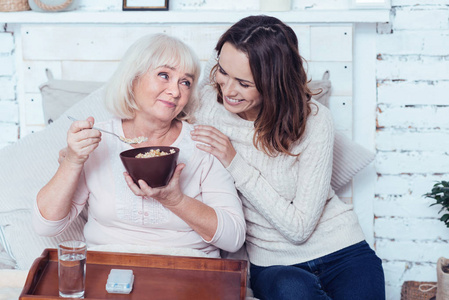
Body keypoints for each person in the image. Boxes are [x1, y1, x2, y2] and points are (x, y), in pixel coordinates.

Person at [190, 15, 385, 299]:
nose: (228, 90)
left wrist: (234, 162)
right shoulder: (207, 103)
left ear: (273, 82)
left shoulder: (314, 120)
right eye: (223, 72)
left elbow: (299, 228)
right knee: (291, 290)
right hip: (274, 264)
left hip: (343, 250)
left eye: (244, 83)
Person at [32, 33, 246, 258]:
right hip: (107, 268)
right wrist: (72, 161)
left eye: (185, 82)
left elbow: (233, 238)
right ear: (133, 78)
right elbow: (46, 226)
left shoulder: (203, 143)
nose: (175, 92)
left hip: (187, 269)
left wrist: (176, 200)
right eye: (164, 75)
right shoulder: (98, 140)